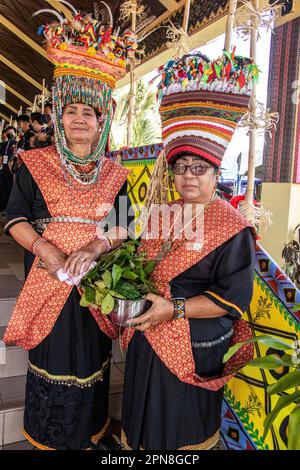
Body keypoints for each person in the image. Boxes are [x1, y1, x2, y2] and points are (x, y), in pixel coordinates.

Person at [4, 5, 136, 450]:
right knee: (53, 350)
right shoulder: (34, 164)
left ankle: (91, 430)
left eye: (90, 112)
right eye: (72, 110)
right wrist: (49, 252)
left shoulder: (115, 173)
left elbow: (123, 225)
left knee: (93, 353)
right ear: (59, 116)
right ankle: (48, 433)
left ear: (102, 122)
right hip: (48, 279)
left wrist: (96, 247)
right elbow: (14, 219)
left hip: (95, 281)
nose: (80, 118)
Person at [120, 52, 258, 450]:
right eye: (182, 167)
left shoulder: (234, 229)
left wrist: (173, 310)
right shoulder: (161, 214)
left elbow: (233, 300)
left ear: (217, 173)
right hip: (148, 325)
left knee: (179, 428)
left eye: (200, 168)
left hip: (194, 337)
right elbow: (135, 253)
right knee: (143, 418)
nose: (189, 176)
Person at [0, 126, 17, 208]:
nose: (9, 134)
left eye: (11, 132)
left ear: (14, 132)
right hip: (4, 168)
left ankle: (11, 207)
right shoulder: (3, 144)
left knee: (11, 187)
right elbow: (2, 156)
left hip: (11, 168)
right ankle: (6, 207)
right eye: (8, 132)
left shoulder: (16, 142)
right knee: (3, 188)